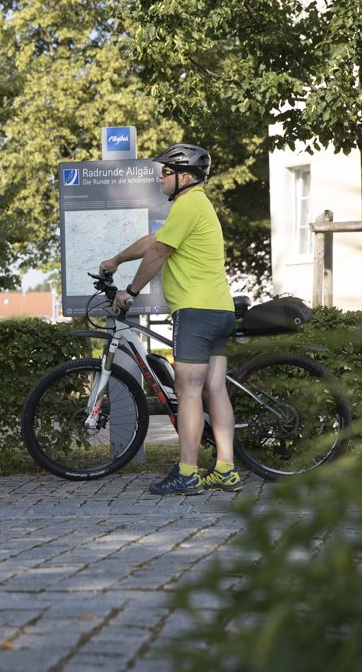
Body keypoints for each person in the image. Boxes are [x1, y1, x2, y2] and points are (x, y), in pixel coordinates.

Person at [99, 144, 241, 495]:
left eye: (164, 172)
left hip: (195, 312)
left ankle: (188, 472)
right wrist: (117, 259)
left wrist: (129, 291)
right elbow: (155, 239)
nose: (159, 178)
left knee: (188, 391)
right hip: (219, 309)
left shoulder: (189, 204)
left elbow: (159, 252)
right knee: (214, 388)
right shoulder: (195, 206)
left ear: (184, 177)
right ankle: (225, 468)